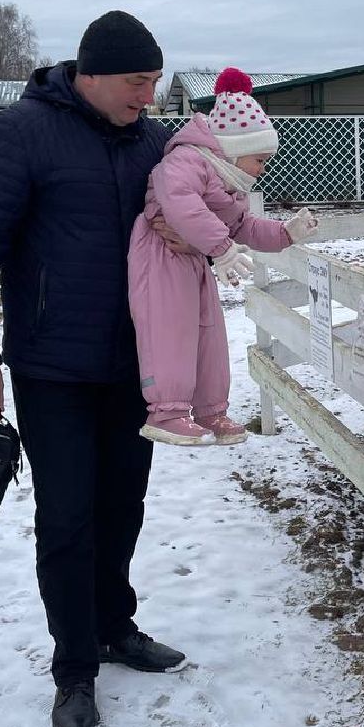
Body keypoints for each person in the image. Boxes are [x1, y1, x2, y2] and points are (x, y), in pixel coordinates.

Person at [0, 10, 187, 727]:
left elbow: (189, 222)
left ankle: (115, 627)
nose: (147, 97)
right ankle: (74, 669)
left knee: (124, 505)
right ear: (90, 73)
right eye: (136, 83)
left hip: (134, 366)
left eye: (155, 83)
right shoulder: (22, 135)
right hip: (53, 370)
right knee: (70, 517)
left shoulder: (154, 143)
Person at [129, 67, 318, 445]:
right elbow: (181, 205)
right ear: (235, 150)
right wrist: (221, 248)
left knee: (209, 334)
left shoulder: (229, 185)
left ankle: (211, 409)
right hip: (161, 258)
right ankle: (166, 412)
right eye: (260, 159)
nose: (263, 170)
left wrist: (284, 233)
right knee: (169, 329)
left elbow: (242, 227)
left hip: (194, 260)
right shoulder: (186, 161)